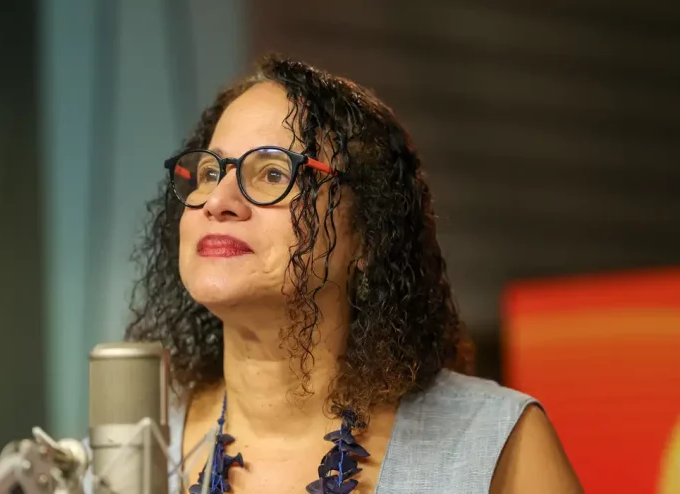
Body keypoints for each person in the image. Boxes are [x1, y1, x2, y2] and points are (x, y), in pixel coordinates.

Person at [109, 55, 581, 493]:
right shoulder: (129, 450)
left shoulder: (492, 443)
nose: (218, 201)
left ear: (367, 234)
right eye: (210, 174)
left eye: (273, 174)